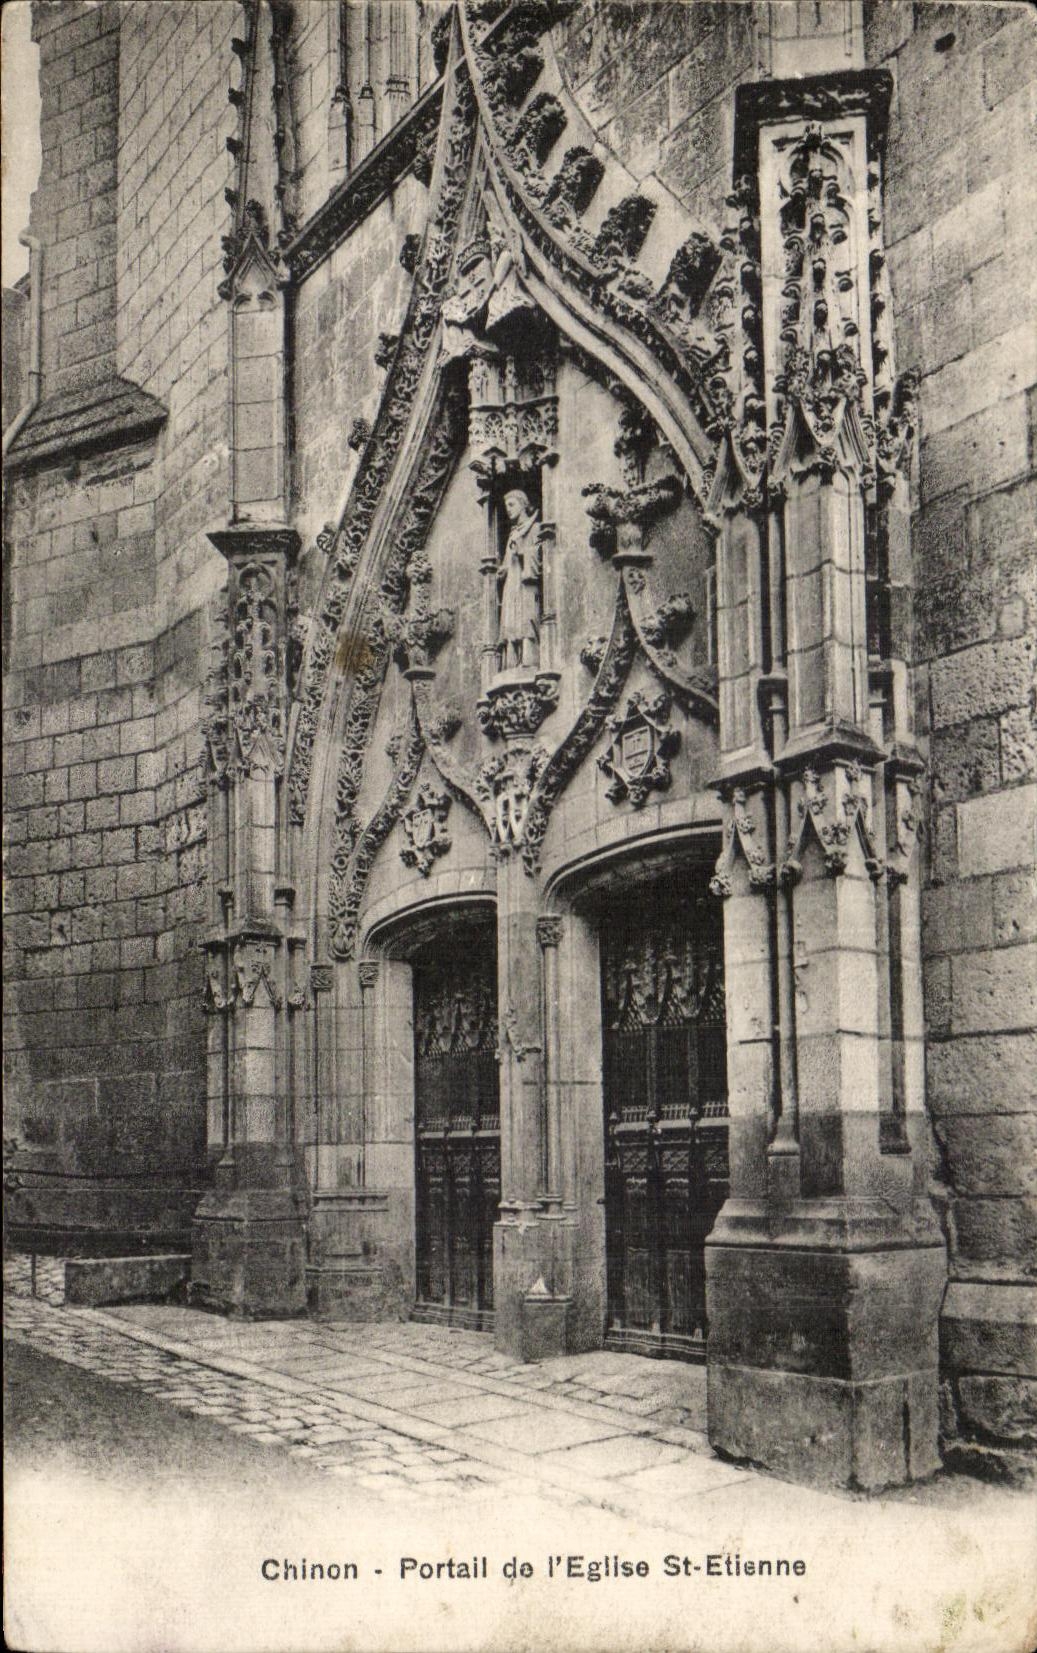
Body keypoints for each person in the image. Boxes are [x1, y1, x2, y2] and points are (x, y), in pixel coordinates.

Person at [497, 488, 541, 670]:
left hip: (525, 583)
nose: (508, 509)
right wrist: (501, 570)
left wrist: (523, 551)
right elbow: (507, 564)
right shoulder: (513, 534)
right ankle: (511, 663)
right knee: (510, 620)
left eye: (512, 504)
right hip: (511, 585)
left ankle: (529, 661)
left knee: (526, 618)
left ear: (523, 505)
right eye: (506, 505)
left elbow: (538, 558)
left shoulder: (535, 528)